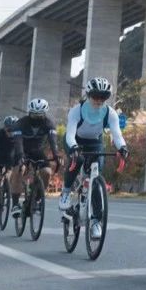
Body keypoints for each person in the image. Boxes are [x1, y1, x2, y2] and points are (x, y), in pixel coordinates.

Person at [59, 78, 129, 240]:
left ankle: (96, 222)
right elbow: (69, 134)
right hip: (75, 141)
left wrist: (122, 147)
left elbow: (117, 134)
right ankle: (66, 192)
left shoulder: (110, 113)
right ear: (89, 95)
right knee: (79, 160)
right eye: (95, 96)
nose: (99, 101)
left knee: (96, 180)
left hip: (95, 143)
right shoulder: (77, 110)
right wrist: (74, 148)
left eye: (103, 97)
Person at [12, 99, 61, 218]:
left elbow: (53, 142)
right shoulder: (21, 123)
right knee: (19, 169)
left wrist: (56, 156)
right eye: (34, 115)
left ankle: (37, 199)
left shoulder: (49, 124)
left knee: (47, 172)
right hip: (22, 151)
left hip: (37, 152)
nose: (37, 118)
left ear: (45, 114)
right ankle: (15, 204)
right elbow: (18, 143)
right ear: (29, 113)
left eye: (40, 115)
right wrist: (21, 157)